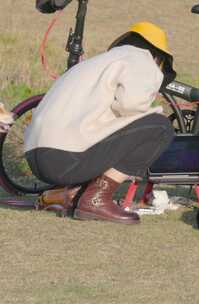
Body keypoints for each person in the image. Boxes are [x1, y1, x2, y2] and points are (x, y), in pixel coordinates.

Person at [24, 22, 176, 224]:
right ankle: (96, 199)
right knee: (160, 127)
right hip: (65, 158)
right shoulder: (142, 59)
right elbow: (131, 105)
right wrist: (154, 111)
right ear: (159, 57)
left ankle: (67, 194)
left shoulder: (99, 62)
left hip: (37, 157)